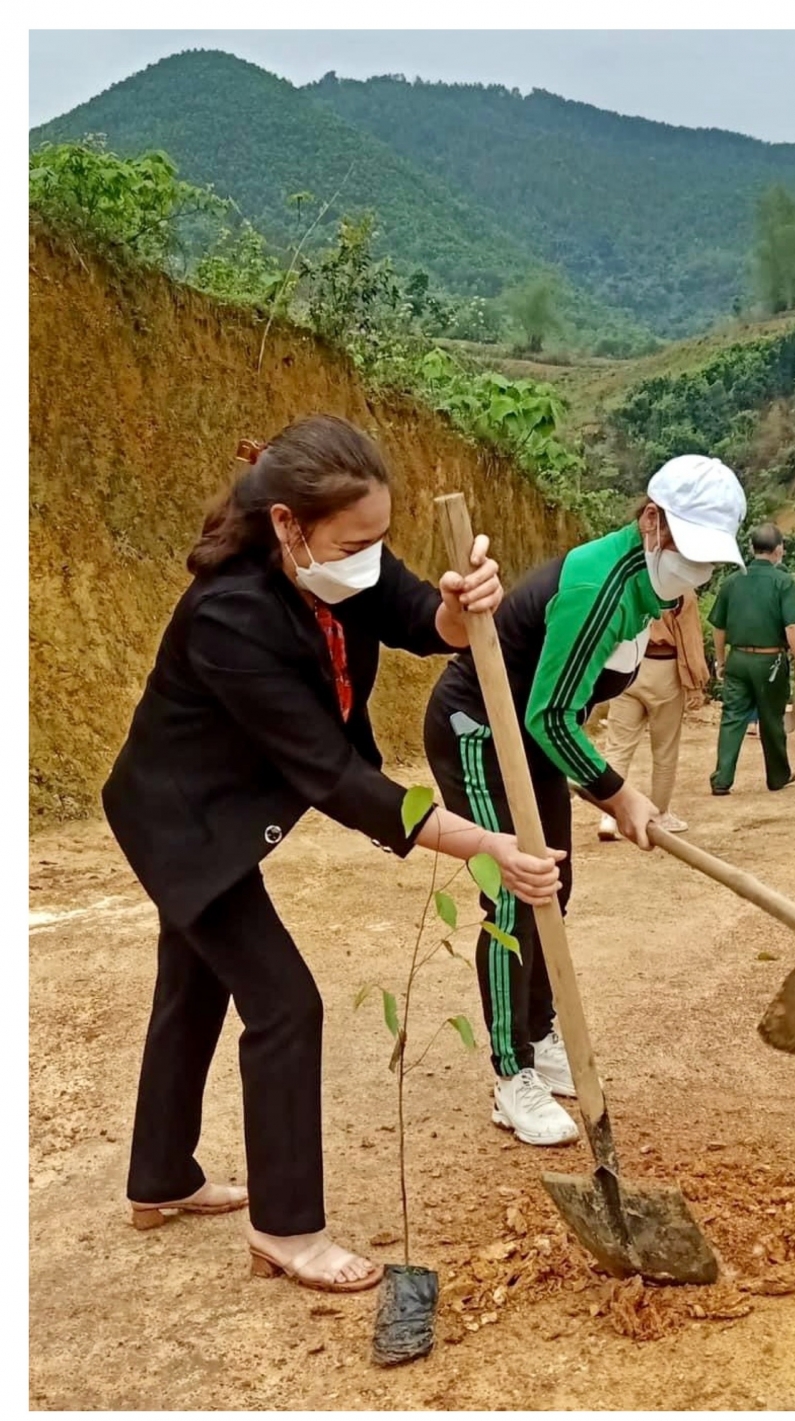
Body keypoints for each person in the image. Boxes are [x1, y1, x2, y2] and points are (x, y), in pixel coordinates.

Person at [103, 416, 560, 1294]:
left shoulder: (345, 555)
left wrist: (465, 608)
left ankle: (159, 1179)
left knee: (193, 982)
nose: (369, 557)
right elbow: (338, 780)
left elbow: (424, 620)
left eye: (379, 539)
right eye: (355, 542)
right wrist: (483, 843)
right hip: (178, 820)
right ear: (286, 524)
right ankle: (288, 1229)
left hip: (223, 809)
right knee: (286, 1005)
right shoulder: (229, 615)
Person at [424, 455, 746, 1146]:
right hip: (480, 731)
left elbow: (555, 716)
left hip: (531, 738)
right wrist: (619, 793)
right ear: (651, 522)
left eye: (708, 560)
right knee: (515, 892)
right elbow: (547, 715)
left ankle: (539, 1040)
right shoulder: (600, 585)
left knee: (554, 884)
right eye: (689, 550)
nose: (696, 571)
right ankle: (511, 1078)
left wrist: (612, 789)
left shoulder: (650, 590)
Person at [594, 591, 709, 840]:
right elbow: (689, 639)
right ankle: (659, 814)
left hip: (627, 665)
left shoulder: (629, 579)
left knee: (618, 746)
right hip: (665, 668)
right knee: (665, 749)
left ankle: (608, 815)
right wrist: (695, 683)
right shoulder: (680, 589)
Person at [708, 524, 795, 795]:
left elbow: (718, 626)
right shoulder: (783, 581)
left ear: (751, 549)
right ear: (778, 550)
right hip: (770, 662)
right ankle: (778, 776)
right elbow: (792, 627)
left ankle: (722, 779)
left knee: (732, 717)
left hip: (738, 658)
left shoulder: (732, 581)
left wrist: (720, 660)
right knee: (772, 719)